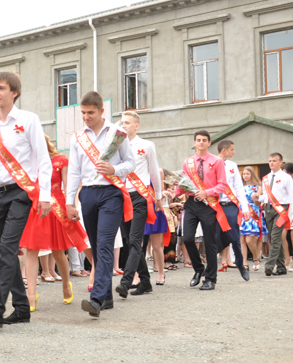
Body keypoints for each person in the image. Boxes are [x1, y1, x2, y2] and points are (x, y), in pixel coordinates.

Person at [0, 72, 51, 328]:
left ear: (14, 92)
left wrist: (46, 196)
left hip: (21, 192)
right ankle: (21, 308)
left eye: (1, 88)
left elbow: (43, 160)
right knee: (5, 250)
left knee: (7, 248)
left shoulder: (28, 120)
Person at [66, 91, 134, 317]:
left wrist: (115, 169)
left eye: (90, 113)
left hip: (111, 193)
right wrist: (70, 202)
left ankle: (96, 298)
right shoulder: (77, 138)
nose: (86, 117)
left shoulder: (118, 133)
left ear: (101, 111)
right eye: (83, 113)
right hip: (87, 194)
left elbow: (130, 163)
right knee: (95, 246)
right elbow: (74, 171)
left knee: (105, 243)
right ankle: (107, 298)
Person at [19, 135, 85, 309]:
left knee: (58, 251)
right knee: (32, 250)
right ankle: (31, 295)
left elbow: (68, 186)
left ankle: (65, 284)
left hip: (56, 208)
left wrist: (72, 205)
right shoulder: (28, 163)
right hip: (35, 209)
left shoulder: (60, 160)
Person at [168, 130, 228, 291]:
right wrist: (175, 193)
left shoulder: (217, 162)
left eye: (204, 140)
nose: (201, 142)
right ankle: (198, 269)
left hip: (209, 205)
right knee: (187, 238)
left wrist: (206, 192)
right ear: (194, 143)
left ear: (209, 143)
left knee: (209, 243)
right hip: (191, 204)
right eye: (198, 140)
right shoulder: (187, 162)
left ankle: (210, 279)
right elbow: (184, 185)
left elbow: (222, 185)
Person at [116, 110, 162, 298]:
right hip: (121, 196)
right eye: (121, 122)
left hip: (140, 197)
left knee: (135, 240)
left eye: (127, 122)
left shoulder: (146, 145)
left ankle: (126, 282)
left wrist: (158, 196)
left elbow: (154, 172)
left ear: (136, 126)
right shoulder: (116, 145)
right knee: (128, 241)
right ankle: (145, 282)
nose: (123, 125)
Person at [215, 140, 251, 281]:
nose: (234, 152)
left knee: (235, 237)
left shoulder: (232, 165)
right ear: (224, 150)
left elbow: (238, 187)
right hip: (215, 205)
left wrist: (245, 208)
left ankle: (241, 266)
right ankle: (210, 268)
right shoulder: (211, 163)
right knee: (214, 237)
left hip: (230, 205)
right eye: (232, 149)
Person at [260, 153, 293, 276]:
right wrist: (259, 198)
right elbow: (266, 196)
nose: (271, 163)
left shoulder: (286, 177)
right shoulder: (266, 178)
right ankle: (281, 267)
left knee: (276, 237)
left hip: (281, 209)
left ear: (281, 163)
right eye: (270, 160)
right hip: (269, 209)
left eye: (274, 161)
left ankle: (269, 266)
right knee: (273, 238)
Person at [239, 167, 266, 272]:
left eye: (247, 174)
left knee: (251, 239)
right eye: (244, 174)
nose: (245, 176)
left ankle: (256, 257)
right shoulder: (240, 187)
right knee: (242, 239)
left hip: (254, 212)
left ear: (252, 175)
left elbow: (257, 202)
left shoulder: (258, 187)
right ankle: (244, 262)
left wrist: (256, 198)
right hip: (242, 212)